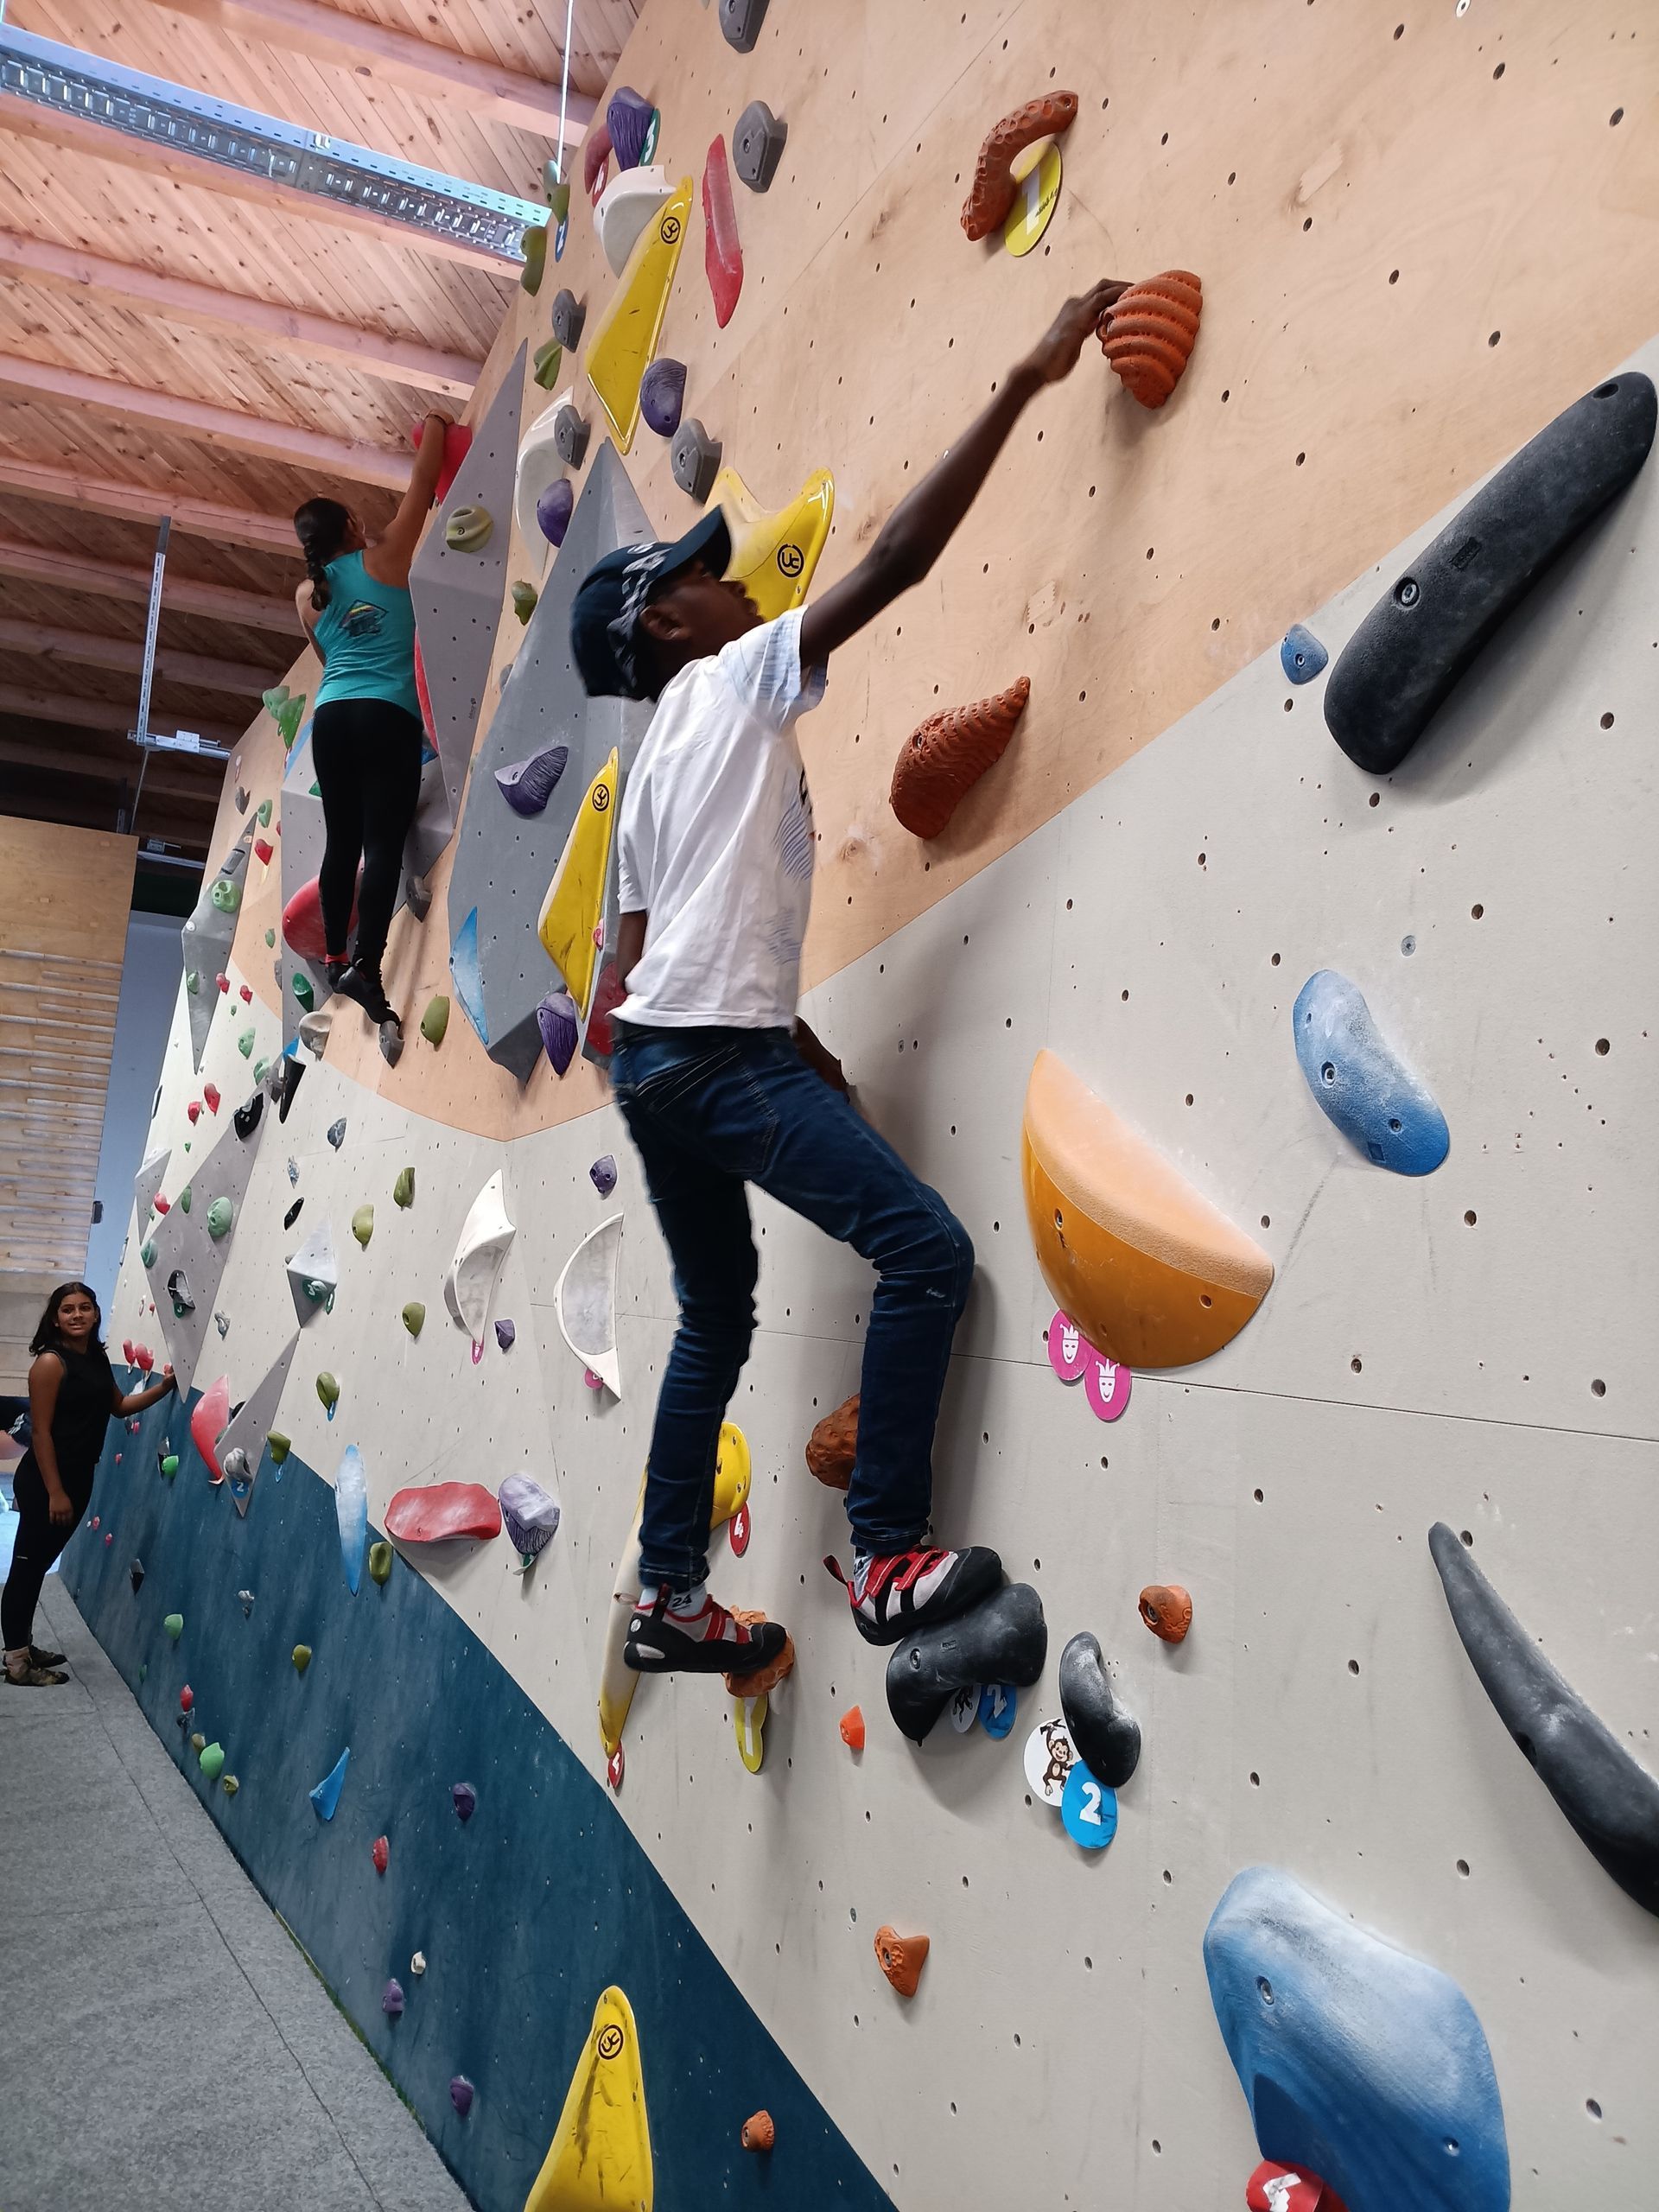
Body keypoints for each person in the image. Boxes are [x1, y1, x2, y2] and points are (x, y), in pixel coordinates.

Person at [569, 277, 1127, 1681]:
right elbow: (898, 564)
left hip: (661, 1063)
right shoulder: (739, 676)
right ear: (670, 627)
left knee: (714, 1315)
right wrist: (1029, 372)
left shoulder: (647, 775)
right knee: (929, 1253)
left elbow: (636, 964)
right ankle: (885, 1556)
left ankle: (672, 1595)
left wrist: (789, 1047)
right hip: (705, 1057)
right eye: (705, 572)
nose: (736, 572)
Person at [291, 410, 452, 1028]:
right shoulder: (385, 556)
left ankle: (335, 956)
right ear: (353, 525)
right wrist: (434, 423)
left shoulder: (308, 597)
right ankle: (366, 963)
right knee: (383, 845)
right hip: (388, 716)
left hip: (332, 719)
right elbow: (423, 477)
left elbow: (327, 657)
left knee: (343, 842)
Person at [3, 1283, 176, 1686]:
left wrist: (164, 1388)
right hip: (48, 1481)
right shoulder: (50, 1364)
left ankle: (21, 1644)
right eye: (68, 1309)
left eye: (85, 1308)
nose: (77, 1315)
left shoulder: (96, 1358)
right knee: (26, 1570)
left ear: (96, 1314)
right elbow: (41, 1434)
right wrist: (56, 1491)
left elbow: (119, 1408)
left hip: (80, 1476)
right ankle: (16, 1663)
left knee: (37, 1564)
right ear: (55, 1317)